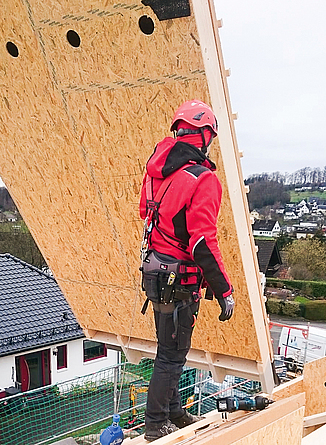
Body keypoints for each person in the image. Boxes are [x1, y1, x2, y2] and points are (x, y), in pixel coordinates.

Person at [139, 100, 235, 442]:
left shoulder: (156, 173)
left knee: (170, 350)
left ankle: (174, 412)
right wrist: (224, 289)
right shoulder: (202, 179)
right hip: (179, 281)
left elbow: (147, 214)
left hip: (156, 274)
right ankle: (155, 425)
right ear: (205, 136)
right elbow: (202, 243)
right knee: (171, 355)